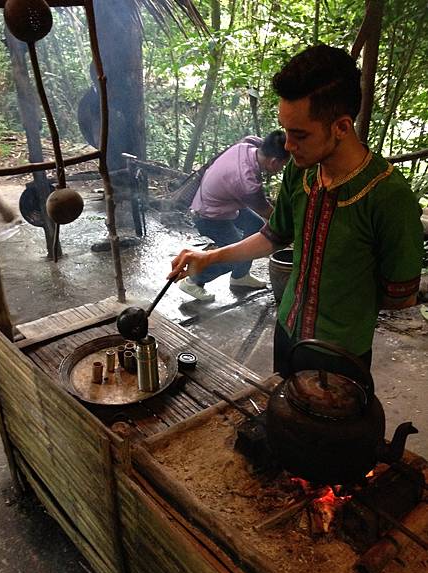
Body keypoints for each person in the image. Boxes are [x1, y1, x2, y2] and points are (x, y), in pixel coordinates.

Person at [169, 44, 424, 380]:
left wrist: (344, 296)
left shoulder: (389, 197)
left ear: (342, 127)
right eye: (286, 130)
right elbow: (273, 236)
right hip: (286, 330)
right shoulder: (300, 171)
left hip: (340, 352)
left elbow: (400, 296)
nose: (287, 145)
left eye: (300, 134)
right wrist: (210, 257)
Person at [178, 131, 289, 302]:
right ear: (274, 161)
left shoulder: (247, 146)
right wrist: (291, 231)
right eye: (282, 165)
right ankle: (193, 281)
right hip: (209, 216)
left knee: (254, 225)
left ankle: (240, 276)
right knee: (234, 255)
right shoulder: (247, 182)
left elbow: (256, 139)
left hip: (222, 202)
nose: (281, 169)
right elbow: (268, 213)